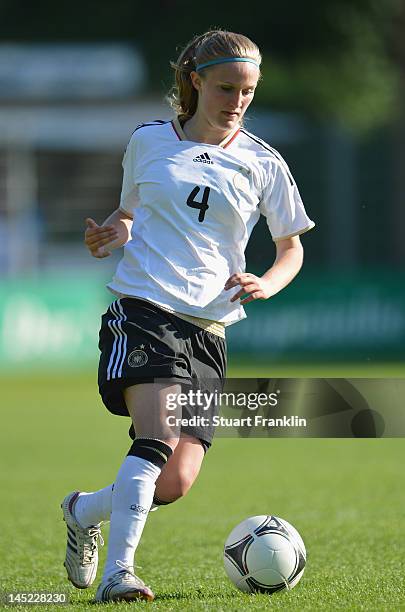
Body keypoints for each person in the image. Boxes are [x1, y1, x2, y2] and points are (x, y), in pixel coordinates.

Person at [61, 29, 314, 603]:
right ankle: (118, 575)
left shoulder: (264, 163)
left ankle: (83, 511)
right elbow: (129, 211)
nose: (237, 101)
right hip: (146, 309)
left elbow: (292, 247)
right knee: (155, 437)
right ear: (195, 81)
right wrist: (113, 232)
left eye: (248, 91)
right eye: (227, 88)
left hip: (211, 328)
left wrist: (267, 283)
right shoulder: (148, 140)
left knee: (173, 482)